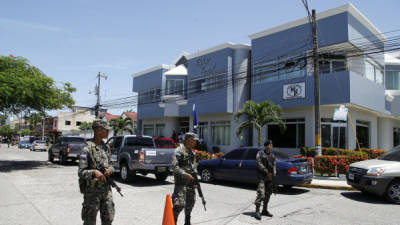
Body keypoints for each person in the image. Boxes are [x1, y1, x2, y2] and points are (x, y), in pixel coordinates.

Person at [78, 120, 115, 225]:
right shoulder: (86, 149)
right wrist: (94, 172)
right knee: (90, 220)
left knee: (108, 218)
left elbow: (112, 164)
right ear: (99, 130)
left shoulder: (106, 147)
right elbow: (81, 172)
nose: (108, 131)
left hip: (106, 189)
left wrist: (110, 170)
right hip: (92, 192)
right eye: (106, 129)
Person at [171, 132, 199, 225]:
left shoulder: (191, 152)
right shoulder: (178, 151)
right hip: (181, 183)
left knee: (191, 203)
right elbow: (175, 167)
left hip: (190, 183)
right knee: (179, 204)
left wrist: (195, 180)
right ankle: (172, 221)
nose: (195, 142)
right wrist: (185, 174)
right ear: (188, 140)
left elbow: (193, 167)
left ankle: (187, 222)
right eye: (194, 140)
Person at [254, 140, 276, 220]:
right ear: (266, 146)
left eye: (271, 145)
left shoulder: (272, 155)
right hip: (262, 177)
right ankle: (257, 211)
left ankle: (264, 210)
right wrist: (266, 171)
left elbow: (274, 165)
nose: (271, 146)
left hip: (269, 177)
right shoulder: (260, 153)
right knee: (261, 194)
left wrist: (273, 175)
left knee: (268, 194)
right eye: (270, 145)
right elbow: (259, 163)